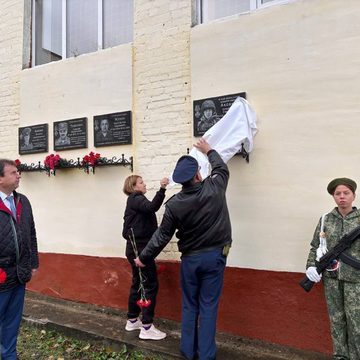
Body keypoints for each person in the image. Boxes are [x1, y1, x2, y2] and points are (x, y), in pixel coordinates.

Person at [134, 138, 232, 360]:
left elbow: (162, 235)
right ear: (197, 175)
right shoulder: (214, 186)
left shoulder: (174, 203)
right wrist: (208, 150)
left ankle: (188, 352)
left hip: (190, 261)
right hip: (215, 258)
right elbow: (221, 168)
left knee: (190, 307)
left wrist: (144, 256)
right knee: (208, 307)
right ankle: (205, 355)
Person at [305, 177, 360, 360]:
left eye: (346, 193)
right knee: (336, 320)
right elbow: (315, 245)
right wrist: (311, 266)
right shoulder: (325, 220)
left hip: (356, 280)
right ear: (333, 196)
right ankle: (340, 357)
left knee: (356, 322)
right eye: (338, 194)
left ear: (353, 195)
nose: (342, 197)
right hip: (331, 279)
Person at [0, 159, 39, 359]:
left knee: (12, 321)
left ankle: (9, 355)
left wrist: (33, 262)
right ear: (0, 179)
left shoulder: (22, 200)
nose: (19, 175)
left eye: (18, 172)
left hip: (19, 274)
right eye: (14, 172)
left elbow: (31, 233)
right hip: (0, 276)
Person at [122, 174, 169, 340]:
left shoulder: (135, 200)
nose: (144, 184)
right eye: (141, 182)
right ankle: (147, 327)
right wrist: (162, 189)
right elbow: (152, 207)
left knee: (138, 284)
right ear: (134, 187)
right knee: (149, 285)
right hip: (139, 250)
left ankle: (133, 320)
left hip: (136, 249)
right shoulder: (136, 198)